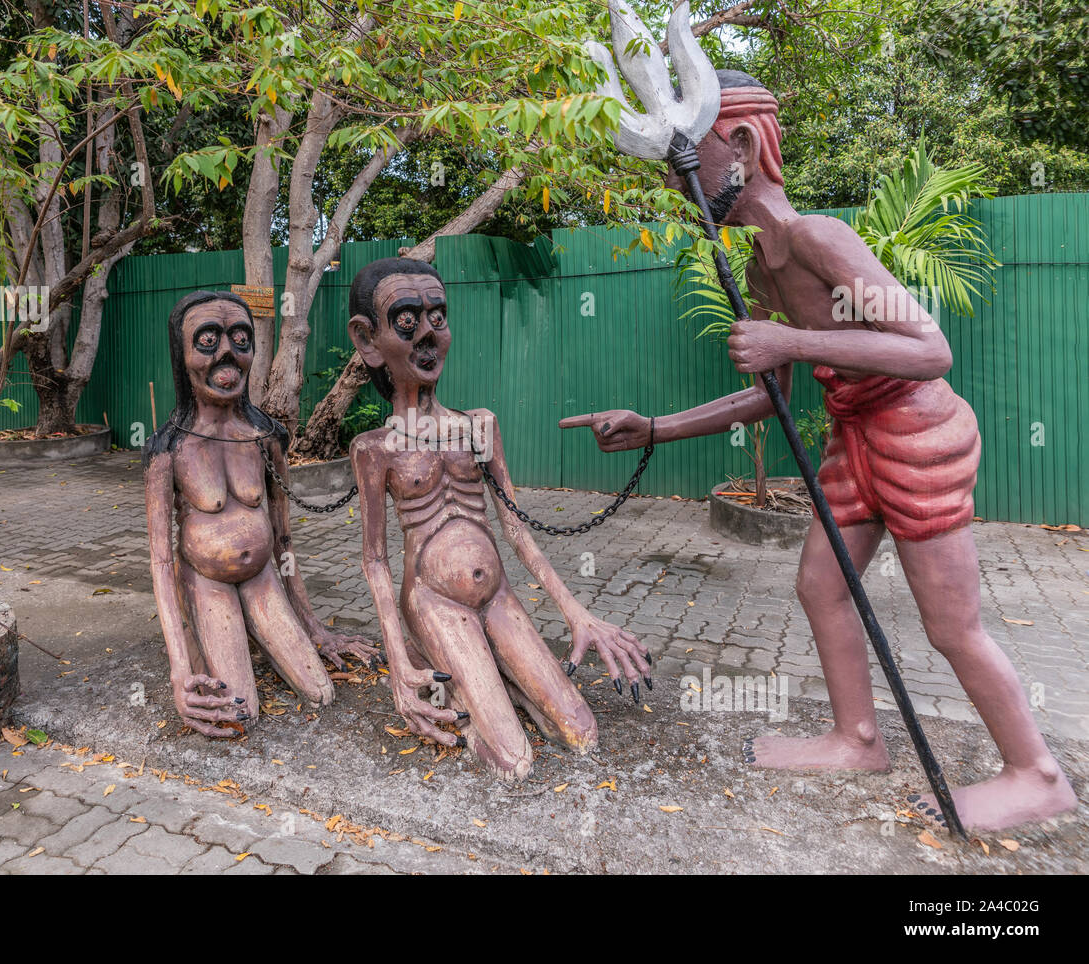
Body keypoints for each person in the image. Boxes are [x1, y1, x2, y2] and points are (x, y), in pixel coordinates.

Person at [561, 72, 1076, 831]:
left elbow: (929, 348)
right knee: (821, 585)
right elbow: (771, 393)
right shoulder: (762, 264)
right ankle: (856, 737)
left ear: (741, 144)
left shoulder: (816, 237)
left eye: (686, 165)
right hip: (855, 435)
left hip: (916, 433)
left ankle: (1037, 775)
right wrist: (656, 427)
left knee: (951, 625)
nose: (682, 189)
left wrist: (792, 338)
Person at [348, 258, 650, 780]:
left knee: (581, 731)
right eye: (406, 319)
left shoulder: (479, 425)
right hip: (433, 600)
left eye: (437, 317)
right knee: (512, 761)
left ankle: (498, 674)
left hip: (498, 596)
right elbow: (374, 559)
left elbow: (517, 528)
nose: (426, 333)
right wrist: (397, 659)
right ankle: (467, 676)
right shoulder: (374, 448)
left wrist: (577, 612)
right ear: (369, 340)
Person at [144, 291, 375, 736]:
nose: (228, 353)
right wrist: (180, 669)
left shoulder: (265, 436)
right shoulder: (167, 449)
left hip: (264, 577)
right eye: (209, 339)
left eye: (240, 339)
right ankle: (217, 643)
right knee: (238, 714)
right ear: (182, 352)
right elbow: (159, 562)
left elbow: (285, 542)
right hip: (207, 582)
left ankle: (274, 631)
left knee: (320, 691)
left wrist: (315, 627)